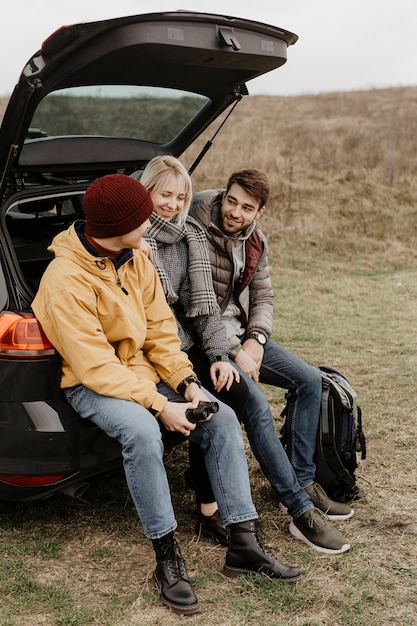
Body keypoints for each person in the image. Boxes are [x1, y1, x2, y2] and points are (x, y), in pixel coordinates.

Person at [31, 173, 301, 617]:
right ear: (117, 226)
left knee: (222, 418)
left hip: (143, 372)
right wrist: (160, 406)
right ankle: (167, 557)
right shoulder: (64, 280)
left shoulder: (136, 259)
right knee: (142, 432)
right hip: (93, 384)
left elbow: (160, 334)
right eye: (142, 217)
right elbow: (96, 367)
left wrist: (187, 384)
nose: (152, 221)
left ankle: (245, 543)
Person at [137, 157, 352, 556]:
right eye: (231, 201)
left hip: (229, 337)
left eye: (247, 207)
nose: (235, 212)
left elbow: (260, 296)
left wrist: (254, 339)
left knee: (308, 379)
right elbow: (188, 314)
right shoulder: (189, 225)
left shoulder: (242, 239)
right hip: (197, 345)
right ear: (221, 195)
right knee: (250, 404)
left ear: (260, 212)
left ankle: (302, 483)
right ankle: (299, 510)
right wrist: (228, 352)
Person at [132, 156, 249, 547]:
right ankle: (209, 508)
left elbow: (204, 312)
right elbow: (148, 324)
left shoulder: (189, 236)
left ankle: (220, 506)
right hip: (152, 350)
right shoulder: (132, 241)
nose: (173, 204)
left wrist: (219, 355)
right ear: (146, 190)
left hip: (182, 346)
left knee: (237, 390)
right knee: (211, 409)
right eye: (165, 194)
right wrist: (135, 247)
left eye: (181, 196)